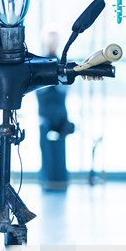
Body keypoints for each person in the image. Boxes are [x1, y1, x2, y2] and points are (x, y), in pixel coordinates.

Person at [35, 30, 74, 191]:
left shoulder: (62, 63)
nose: (52, 44)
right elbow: (38, 88)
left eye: (54, 40)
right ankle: (47, 179)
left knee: (60, 148)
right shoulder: (39, 63)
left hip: (60, 113)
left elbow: (65, 87)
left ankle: (61, 180)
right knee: (45, 148)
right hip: (45, 115)